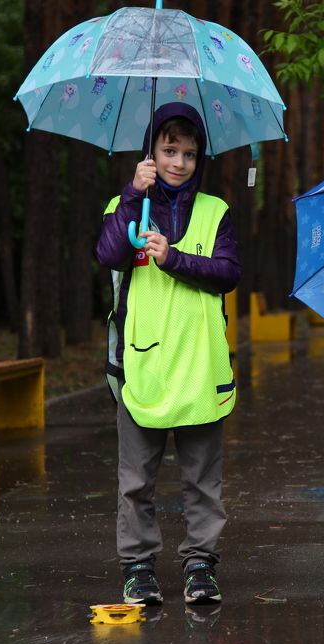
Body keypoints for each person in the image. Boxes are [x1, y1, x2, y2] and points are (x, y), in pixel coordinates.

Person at [95, 102, 241, 606]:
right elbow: (108, 255)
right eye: (169, 150)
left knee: (202, 480)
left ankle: (201, 564)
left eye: (190, 154)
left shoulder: (216, 211)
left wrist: (173, 258)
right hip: (142, 365)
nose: (179, 162)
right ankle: (138, 567)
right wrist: (130, 194)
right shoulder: (125, 204)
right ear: (151, 153)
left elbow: (228, 273)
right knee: (136, 479)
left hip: (201, 365)